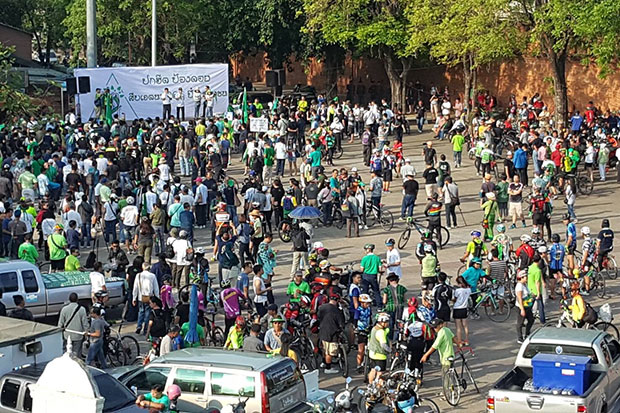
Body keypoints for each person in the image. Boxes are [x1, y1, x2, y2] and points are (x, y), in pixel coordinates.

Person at [317, 293, 345, 373]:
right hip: (332, 333)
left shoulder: (322, 307)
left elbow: (318, 317)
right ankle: (328, 368)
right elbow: (341, 322)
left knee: (324, 349)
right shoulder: (337, 310)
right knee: (330, 352)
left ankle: (324, 362)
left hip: (322, 330)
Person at [133, 262, 160, 335]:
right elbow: (156, 288)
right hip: (149, 297)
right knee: (148, 314)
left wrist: (134, 298)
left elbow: (135, 288)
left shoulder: (138, 275)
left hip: (141, 297)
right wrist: (157, 298)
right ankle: (145, 329)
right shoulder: (152, 276)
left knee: (141, 312)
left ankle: (139, 326)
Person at [367, 312, 391, 383]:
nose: (388, 323)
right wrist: (390, 350)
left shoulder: (374, 328)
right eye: (387, 322)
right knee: (381, 373)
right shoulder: (381, 332)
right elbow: (383, 345)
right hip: (380, 355)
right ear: (382, 323)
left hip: (372, 353)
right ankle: (378, 387)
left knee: (373, 370)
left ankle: (370, 384)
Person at [515, 270, 534, 344]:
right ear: (521, 277)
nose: (527, 278)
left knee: (531, 320)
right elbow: (519, 298)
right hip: (522, 307)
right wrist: (522, 309)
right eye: (525, 276)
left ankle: (527, 333)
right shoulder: (519, 286)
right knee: (520, 322)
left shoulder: (525, 284)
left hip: (527, 306)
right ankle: (520, 338)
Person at [452, 276, 471, 346]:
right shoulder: (468, 290)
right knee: (465, 326)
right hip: (464, 308)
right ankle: (466, 340)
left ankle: (459, 341)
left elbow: (454, 299)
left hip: (457, 308)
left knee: (458, 327)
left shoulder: (457, 291)